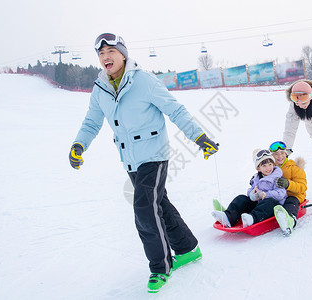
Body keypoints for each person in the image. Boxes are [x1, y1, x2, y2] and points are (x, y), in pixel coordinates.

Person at [68, 33, 219, 293]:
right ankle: (187, 248)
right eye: (101, 54)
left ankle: (160, 267)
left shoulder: (144, 81)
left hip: (154, 154)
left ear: (123, 54)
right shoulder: (100, 88)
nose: (106, 57)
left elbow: (175, 110)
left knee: (144, 208)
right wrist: (79, 145)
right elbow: (91, 122)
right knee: (158, 202)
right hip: (130, 159)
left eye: (111, 51)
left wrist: (199, 137)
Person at [212, 149, 287, 228]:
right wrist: (251, 194)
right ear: (258, 168)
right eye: (264, 166)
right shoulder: (256, 178)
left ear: (273, 164)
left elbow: (281, 194)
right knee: (242, 198)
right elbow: (252, 189)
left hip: (273, 207)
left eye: (270, 164)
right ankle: (229, 217)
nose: (268, 168)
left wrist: (264, 195)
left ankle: (252, 219)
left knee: (269, 202)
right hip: (258, 205)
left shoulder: (277, 177)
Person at [269, 141, 307, 236]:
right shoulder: (270, 168)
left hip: (293, 195)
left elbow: (302, 187)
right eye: (276, 154)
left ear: (286, 154)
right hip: (278, 195)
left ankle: (289, 220)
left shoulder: (294, 167)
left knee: (290, 202)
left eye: (282, 153)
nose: (279, 156)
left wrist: (288, 184)